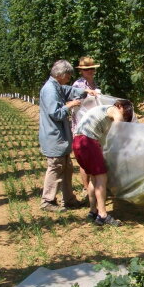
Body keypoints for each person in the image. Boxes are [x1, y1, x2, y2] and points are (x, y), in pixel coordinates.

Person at [39, 59, 98, 212]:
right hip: (54, 135)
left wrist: (85, 92)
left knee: (67, 168)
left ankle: (69, 199)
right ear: (61, 74)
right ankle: (47, 201)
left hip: (60, 136)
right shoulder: (50, 90)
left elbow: (68, 90)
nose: (69, 79)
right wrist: (69, 105)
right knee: (55, 167)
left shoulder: (56, 86)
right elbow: (55, 113)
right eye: (67, 76)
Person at [72, 99, 134, 226]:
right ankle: (103, 215)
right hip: (88, 142)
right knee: (101, 178)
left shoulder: (100, 111)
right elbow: (119, 128)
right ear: (120, 106)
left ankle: (93, 211)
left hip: (78, 142)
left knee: (94, 179)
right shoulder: (114, 110)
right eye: (125, 114)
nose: (124, 117)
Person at [71, 56, 100, 196]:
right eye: (87, 69)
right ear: (81, 71)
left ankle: (95, 185)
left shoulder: (94, 83)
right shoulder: (78, 85)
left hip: (94, 124)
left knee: (94, 155)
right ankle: (85, 187)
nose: (90, 71)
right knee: (84, 158)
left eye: (92, 69)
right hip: (81, 125)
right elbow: (75, 103)